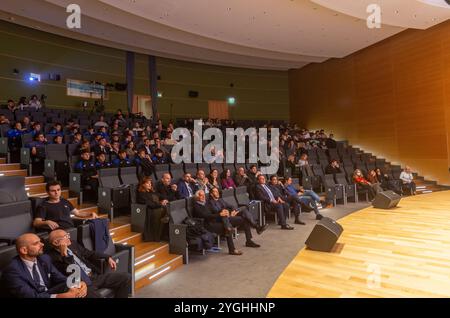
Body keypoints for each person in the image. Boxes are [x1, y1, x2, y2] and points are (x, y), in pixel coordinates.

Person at [47, 229, 131, 298]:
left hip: (94, 275)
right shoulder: (52, 258)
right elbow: (72, 274)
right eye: (65, 236)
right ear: (56, 242)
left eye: (68, 235)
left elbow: (89, 253)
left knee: (126, 277)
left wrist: (107, 257)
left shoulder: (73, 244)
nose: (69, 237)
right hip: (82, 283)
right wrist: (64, 255)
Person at [0, 233, 86, 298]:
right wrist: (61, 296)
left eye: (40, 241)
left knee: (78, 289)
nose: (42, 244)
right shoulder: (12, 270)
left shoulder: (44, 259)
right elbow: (32, 296)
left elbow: (62, 279)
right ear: (24, 250)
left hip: (48, 292)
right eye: (36, 243)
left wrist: (79, 284)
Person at [33, 181, 98, 231]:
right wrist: (46, 222)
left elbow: (78, 213)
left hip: (72, 229)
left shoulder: (65, 201)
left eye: (58, 190)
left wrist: (90, 213)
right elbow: (36, 222)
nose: (56, 192)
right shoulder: (43, 205)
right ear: (47, 192)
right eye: (53, 191)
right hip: (59, 232)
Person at [192, 190, 241, 255]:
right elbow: (206, 216)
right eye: (201, 195)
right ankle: (232, 249)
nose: (204, 197)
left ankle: (228, 227)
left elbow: (213, 212)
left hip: (212, 221)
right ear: (197, 197)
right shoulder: (196, 206)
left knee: (225, 219)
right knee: (226, 228)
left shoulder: (205, 203)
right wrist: (219, 214)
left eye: (204, 195)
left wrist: (223, 211)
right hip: (206, 225)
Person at [136, 177, 169, 241]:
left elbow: (162, 196)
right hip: (149, 211)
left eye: (150, 183)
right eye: (147, 183)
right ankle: (166, 217)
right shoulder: (141, 194)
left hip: (156, 207)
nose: (150, 185)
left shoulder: (152, 192)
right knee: (163, 210)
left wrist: (164, 200)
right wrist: (160, 203)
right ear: (143, 184)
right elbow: (150, 204)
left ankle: (166, 217)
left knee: (166, 207)